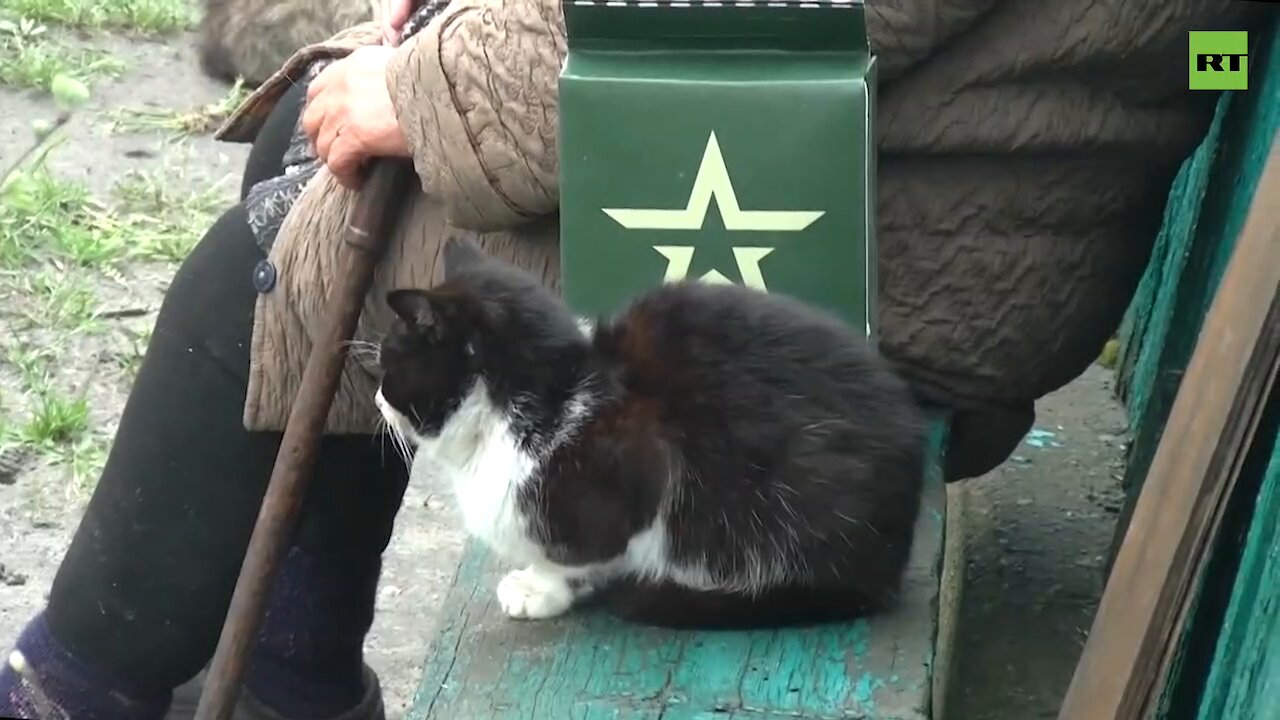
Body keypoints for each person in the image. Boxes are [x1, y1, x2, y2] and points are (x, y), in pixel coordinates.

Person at [0, 0, 1261, 718]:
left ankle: (77, 688)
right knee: (313, 134)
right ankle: (290, 679)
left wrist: (439, 81)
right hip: (892, 141)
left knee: (272, 263)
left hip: (896, 215)